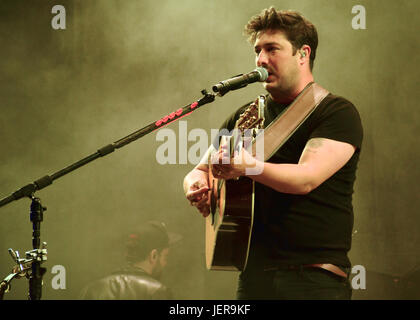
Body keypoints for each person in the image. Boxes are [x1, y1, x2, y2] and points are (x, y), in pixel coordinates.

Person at [183, 7, 363, 300]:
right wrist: (196, 186)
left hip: (312, 279)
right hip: (253, 277)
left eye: (272, 49)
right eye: (258, 50)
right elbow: (200, 170)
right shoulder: (245, 115)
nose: (261, 59)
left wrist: (248, 167)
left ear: (303, 54)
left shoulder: (336, 112)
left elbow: (306, 178)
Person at [79, 220, 177, 300]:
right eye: (165, 257)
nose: (165, 263)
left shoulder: (91, 290)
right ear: (154, 255)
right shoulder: (158, 292)